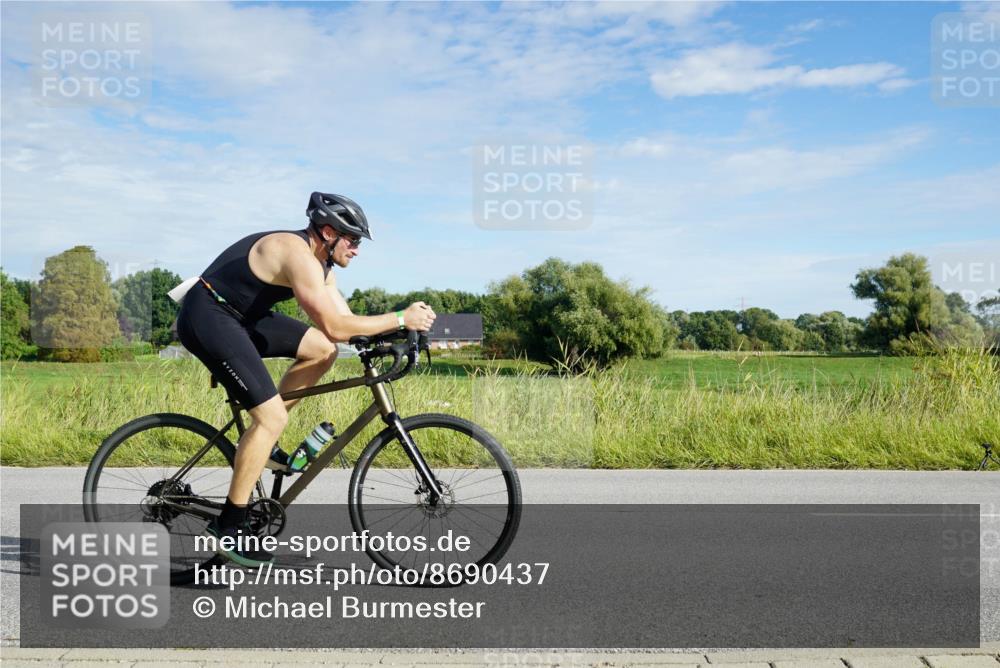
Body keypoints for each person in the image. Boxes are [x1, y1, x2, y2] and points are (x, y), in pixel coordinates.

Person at [175, 192, 436, 567]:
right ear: (328, 232)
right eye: (353, 239)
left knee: (321, 351)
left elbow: (345, 327)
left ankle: (265, 442)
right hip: (207, 315)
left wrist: (394, 336)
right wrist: (399, 318)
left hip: (242, 317)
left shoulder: (322, 268)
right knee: (271, 417)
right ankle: (229, 527)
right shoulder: (297, 254)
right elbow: (334, 324)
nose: (357, 250)